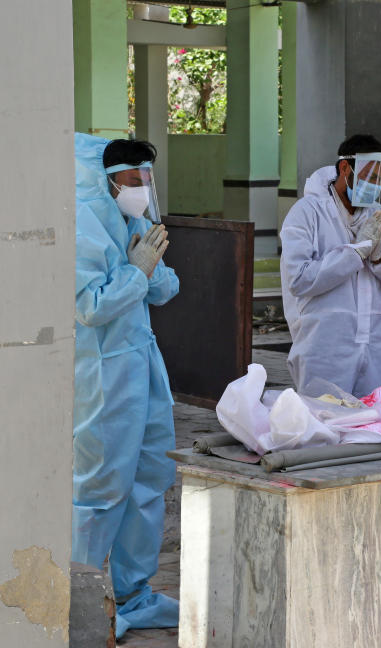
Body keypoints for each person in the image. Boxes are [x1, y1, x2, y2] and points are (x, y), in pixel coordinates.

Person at [73, 134, 180, 637]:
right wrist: (136, 272)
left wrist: (148, 267)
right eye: (133, 179)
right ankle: (82, 604)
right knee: (100, 490)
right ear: (108, 178)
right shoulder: (82, 220)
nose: (141, 186)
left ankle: (134, 595)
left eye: (146, 178)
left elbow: (166, 287)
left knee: (149, 478)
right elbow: (90, 306)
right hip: (104, 372)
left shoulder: (132, 216)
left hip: (143, 362)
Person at [281, 134, 381, 398]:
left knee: (372, 424)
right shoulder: (307, 212)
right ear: (345, 169)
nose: (374, 186)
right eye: (369, 177)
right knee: (325, 427)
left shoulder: (380, 216)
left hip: (375, 347)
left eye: (380, 179)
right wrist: (355, 254)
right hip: (325, 348)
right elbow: (298, 279)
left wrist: (379, 256)